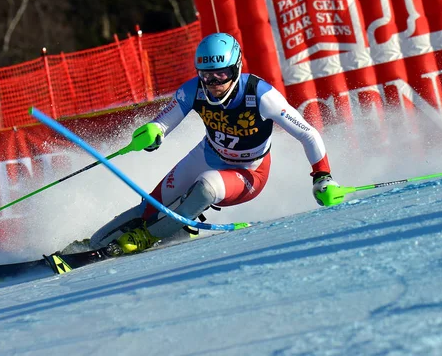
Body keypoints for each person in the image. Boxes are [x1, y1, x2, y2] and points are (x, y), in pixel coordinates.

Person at [66, 32, 339, 255]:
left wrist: (322, 177)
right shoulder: (193, 89)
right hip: (209, 154)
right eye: (206, 75)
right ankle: (95, 244)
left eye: (220, 75)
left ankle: (147, 237)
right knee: (151, 206)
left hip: (249, 171)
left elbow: (309, 134)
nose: (213, 83)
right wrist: (152, 133)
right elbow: (164, 122)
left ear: (235, 68)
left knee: (206, 187)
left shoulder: (262, 95)